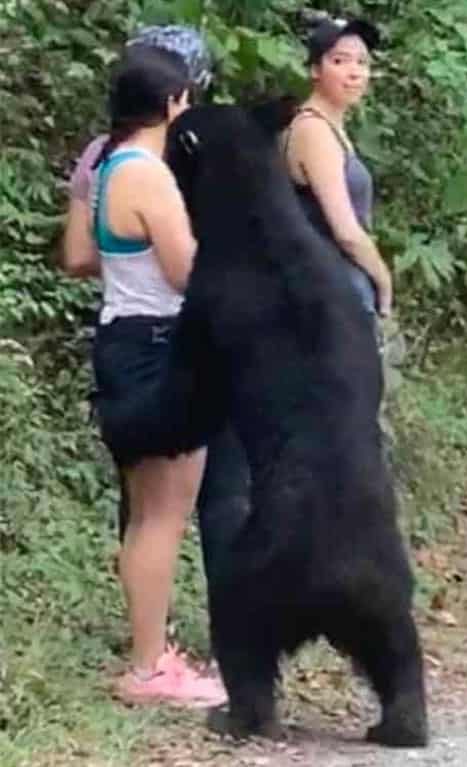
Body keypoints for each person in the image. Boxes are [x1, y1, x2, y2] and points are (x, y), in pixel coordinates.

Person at [60, 43, 226, 708]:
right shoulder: (149, 175)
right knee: (163, 514)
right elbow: (187, 270)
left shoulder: (105, 166)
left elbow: (92, 256)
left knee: (146, 514)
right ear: (171, 103)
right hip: (161, 344)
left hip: (124, 336)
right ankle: (150, 667)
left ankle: (149, 654)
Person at [282, 15, 393, 322]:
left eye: (362, 62)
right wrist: (384, 281)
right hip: (329, 295)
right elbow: (346, 233)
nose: (354, 73)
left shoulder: (330, 128)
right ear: (315, 69)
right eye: (340, 61)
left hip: (337, 290)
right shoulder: (314, 132)